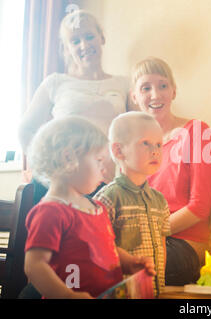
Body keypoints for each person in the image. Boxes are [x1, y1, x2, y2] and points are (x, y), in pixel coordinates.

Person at [24, 117, 156, 298]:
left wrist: (129, 263)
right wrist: (67, 296)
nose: (104, 169)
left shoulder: (97, 207)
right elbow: (35, 266)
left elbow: (107, 249)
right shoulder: (51, 212)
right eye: (99, 160)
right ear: (69, 157)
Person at [18, 10, 130, 203]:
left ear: (101, 37)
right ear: (66, 47)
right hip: (61, 183)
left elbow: (132, 134)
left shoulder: (123, 84)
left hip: (104, 182)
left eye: (89, 37)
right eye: (75, 41)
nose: (84, 45)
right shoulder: (55, 82)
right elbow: (25, 129)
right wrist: (45, 169)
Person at [131, 57, 211, 285]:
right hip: (143, 241)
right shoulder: (134, 145)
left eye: (163, 85)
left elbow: (199, 207)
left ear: (174, 91)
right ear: (134, 96)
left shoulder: (198, 133)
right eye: (146, 88)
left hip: (184, 245)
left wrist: (147, 234)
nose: (155, 94)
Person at [94, 112, 171, 297]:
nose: (155, 151)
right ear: (119, 151)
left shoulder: (159, 201)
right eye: (145, 143)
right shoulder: (107, 199)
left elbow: (162, 245)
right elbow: (98, 249)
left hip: (153, 291)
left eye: (159, 145)